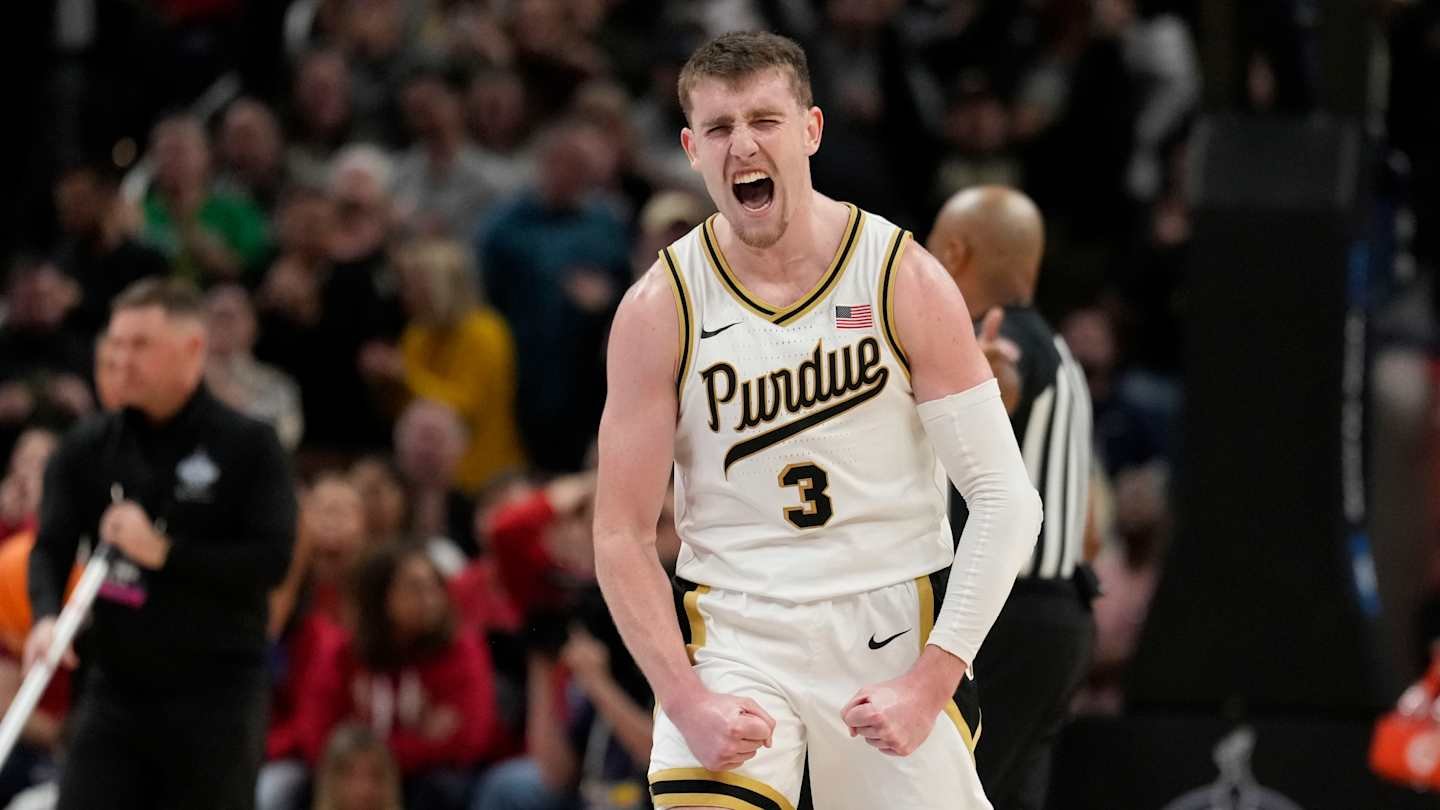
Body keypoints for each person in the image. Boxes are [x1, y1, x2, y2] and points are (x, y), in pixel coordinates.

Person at [593, 32, 1041, 810]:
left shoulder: (902, 276)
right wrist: (684, 697)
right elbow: (620, 534)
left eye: (764, 120)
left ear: (811, 130)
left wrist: (932, 680)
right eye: (722, 128)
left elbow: (1007, 498)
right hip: (735, 627)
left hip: (889, 620)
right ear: (691, 149)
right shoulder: (659, 307)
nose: (743, 145)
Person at [24, 277, 298, 810]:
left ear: (192, 350)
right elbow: (50, 547)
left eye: (140, 345)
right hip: (117, 689)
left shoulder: (248, 446)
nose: (122, 360)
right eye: (116, 344)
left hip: (215, 694)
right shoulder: (85, 449)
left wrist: (166, 555)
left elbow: (272, 561)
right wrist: (44, 617)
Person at [927, 186, 1096, 810]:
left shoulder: (1000, 342)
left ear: (953, 251)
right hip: (1059, 620)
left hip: (1008, 617)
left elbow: (1005, 379)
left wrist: (990, 380)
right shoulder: (1061, 349)